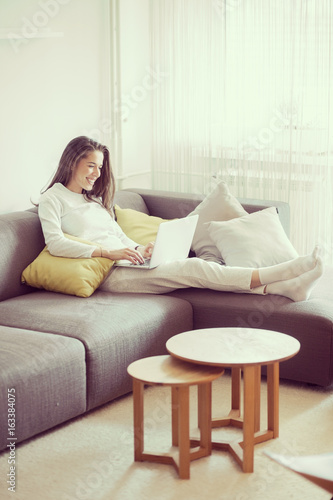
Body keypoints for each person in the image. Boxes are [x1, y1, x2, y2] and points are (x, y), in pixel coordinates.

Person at [38, 136, 323, 302]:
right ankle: (283, 272)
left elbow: (119, 236)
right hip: (109, 275)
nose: (97, 174)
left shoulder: (94, 200)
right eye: (91, 166)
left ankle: (281, 288)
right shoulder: (53, 198)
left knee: (192, 267)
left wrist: (140, 248)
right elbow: (56, 244)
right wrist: (106, 252)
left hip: (129, 263)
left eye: (100, 167)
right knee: (197, 268)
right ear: (72, 161)